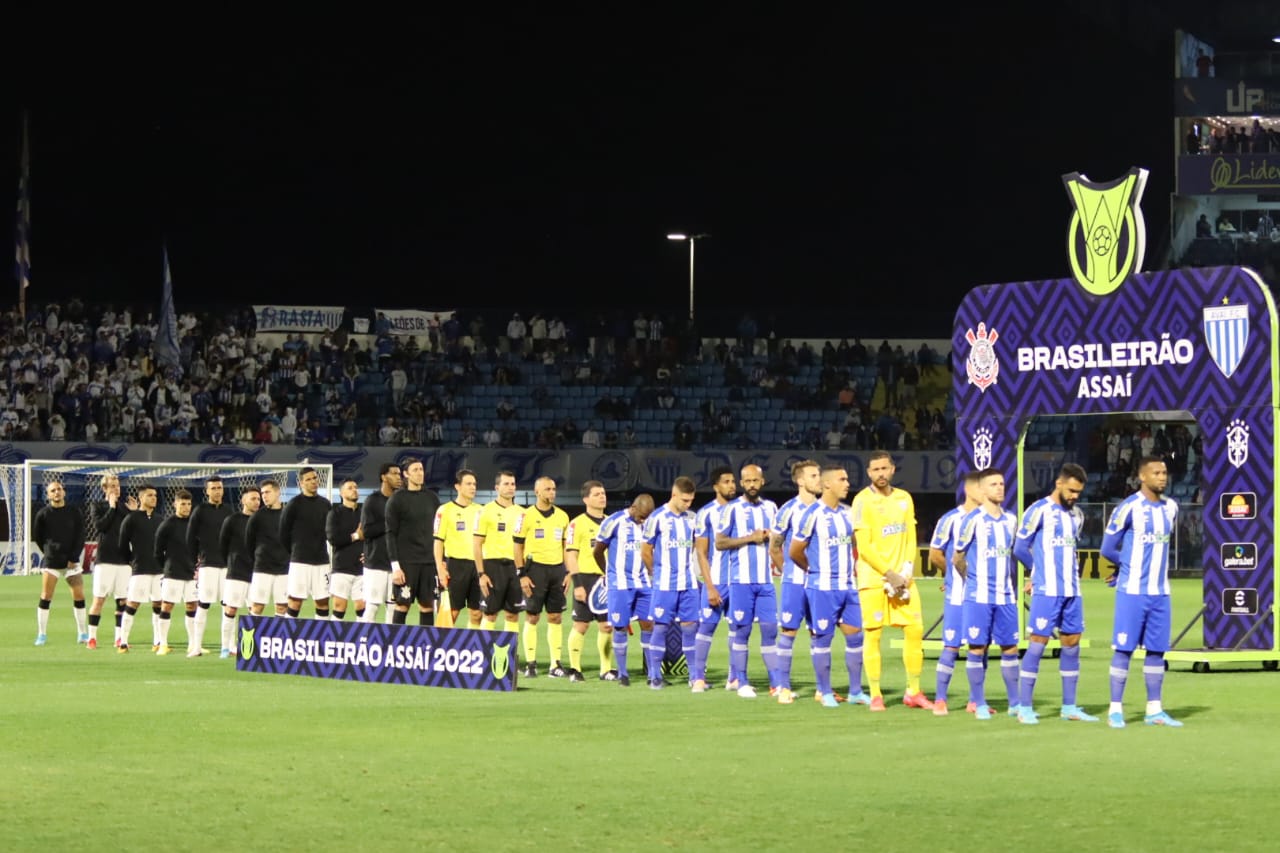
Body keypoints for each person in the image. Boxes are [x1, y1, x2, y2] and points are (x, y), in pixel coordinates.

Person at [1101, 455, 1183, 728]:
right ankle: (1115, 709)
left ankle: (1154, 710)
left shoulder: (1171, 507)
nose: (1163, 477)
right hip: (1132, 591)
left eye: (1165, 472)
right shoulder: (1128, 507)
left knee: (1157, 651)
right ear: (1142, 477)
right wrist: (1126, 567)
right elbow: (1107, 548)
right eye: (1157, 473)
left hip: (1160, 592)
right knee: (1124, 649)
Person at [1013, 462, 1098, 724]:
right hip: (1047, 590)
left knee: (1071, 645)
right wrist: (1035, 574)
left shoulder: (1077, 516)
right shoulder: (1038, 511)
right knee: (1037, 645)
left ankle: (1069, 707)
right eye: (1071, 490)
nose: (1074, 496)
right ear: (1059, 483)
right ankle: (1024, 707)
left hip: (1073, 591)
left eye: (1078, 493)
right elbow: (1019, 548)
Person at [852, 450, 932, 711]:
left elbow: (910, 536)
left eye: (884, 468)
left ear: (893, 469)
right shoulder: (862, 501)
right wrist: (889, 573)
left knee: (915, 631)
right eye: (875, 470)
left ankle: (914, 691)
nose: (881, 474)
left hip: (903, 578)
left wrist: (907, 569)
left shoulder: (904, 498)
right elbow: (864, 547)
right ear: (868, 473)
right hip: (874, 579)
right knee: (873, 635)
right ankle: (875, 694)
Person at [789, 465, 869, 708]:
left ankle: (855, 690)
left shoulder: (848, 514)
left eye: (847, 478)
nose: (847, 483)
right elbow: (795, 551)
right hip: (821, 588)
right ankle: (824, 691)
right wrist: (813, 570)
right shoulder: (811, 514)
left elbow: (855, 545)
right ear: (827, 485)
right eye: (841, 479)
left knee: (856, 637)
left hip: (848, 586)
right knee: (823, 639)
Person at [953, 467, 1020, 721]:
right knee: (977, 648)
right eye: (993, 484)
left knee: (1010, 647)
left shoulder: (1012, 520)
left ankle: (1015, 702)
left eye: (1002, 484)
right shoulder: (973, 520)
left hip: (1005, 597)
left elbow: (1013, 556)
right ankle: (978, 702)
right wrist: (970, 579)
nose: (1000, 488)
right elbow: (957, 557)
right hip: (978, 596)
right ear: (981, 490)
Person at [714, 463, 780, 699]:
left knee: (770, 630)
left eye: (756, 480)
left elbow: (778, 541)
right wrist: (750, 538)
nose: (752, 485)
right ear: (742, 484)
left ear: (762, 482)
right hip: (740, 582)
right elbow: (720, 543)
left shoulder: (772, 508)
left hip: (765, 582)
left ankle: (776, 683)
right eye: (747, 481)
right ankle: (741, 681)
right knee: (742, 631)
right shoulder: (732, 510)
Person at [926, 469, 982, 714]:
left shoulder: (991, 519)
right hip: (958, 595)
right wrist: (950, 576)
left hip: (982, 596)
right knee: (951, 646)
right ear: (970, 490)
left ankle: (975, 700)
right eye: (985, 487)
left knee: (978, 647)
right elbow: (935, 554)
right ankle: (940, 699)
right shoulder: (951, 519)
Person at [769, 459, 822, 704]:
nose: (818, 479)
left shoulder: (825, 510)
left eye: (819, 474)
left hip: (819, 583)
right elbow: (775, 548)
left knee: (819, 633)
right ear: (800, 481)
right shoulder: (787, 510)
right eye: (813, 475)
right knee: (788, 631)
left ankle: (823, 689)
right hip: (794, 582)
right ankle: (783, 687)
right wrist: (788, 572)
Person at [640, 476, 700, 689]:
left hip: (689, 583)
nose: (688, 504)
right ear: (673, 495)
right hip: (664, 584)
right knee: (660, 628)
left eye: (691, 500)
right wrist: (655, 573)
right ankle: (655, 676)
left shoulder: (692, 518)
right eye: (684, 500)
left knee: (691, 628)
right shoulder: (657, 518)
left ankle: (695, 677)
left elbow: (693, 545)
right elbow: (645, 550)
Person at [594, 493, 656, 687]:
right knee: (619, 626)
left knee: (649, 624)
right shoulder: (614, 522)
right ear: (634, 508)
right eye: (641, 516)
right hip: (619, 583)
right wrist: (608, 572)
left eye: (647, 517)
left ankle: (652, 673)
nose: (643, 520)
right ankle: (623, 673)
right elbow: (597, 550)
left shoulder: (650, 523)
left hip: (644, 582)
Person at [513, 476, 572, 678]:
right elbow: (517, 546)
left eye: (554, 489)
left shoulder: (563, 517)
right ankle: (530, 663)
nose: (552, 493)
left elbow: (566, 547)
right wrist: (521, 574)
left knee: (555, 616)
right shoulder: (525, 516)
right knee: (532, 616)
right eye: (547, 489)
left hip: (557, 570)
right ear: (537, 492)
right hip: (535, 570)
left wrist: (569, 572)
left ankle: (555, 664)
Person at [690, 466, 736, 692]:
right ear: (716, 486)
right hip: (716, 580)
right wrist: (709, 586)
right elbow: (701, 552)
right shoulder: (705, 513)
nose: (732, 485)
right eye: (726, 481)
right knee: (706, 628)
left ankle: (734, 677)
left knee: (738, 629)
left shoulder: (743, 510)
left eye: (733, 481)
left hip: (739, 582)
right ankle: (698, 678)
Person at [563, 480, 614, 681]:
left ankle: (606, 669)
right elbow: (571, 555)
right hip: (585, 578)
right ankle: (575, 669)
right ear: (585, 499)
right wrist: (577, 584)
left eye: (603, 493)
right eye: (596, 494)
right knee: (581, 625)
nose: (602, 496)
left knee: (606, 625)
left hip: (606, 581)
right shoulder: (577, 524)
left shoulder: (612, 522)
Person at [31, 480, 89, 646]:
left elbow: (80, 536)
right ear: (48, 495)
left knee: (79, 596)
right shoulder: (42, 514)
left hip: (72, 562)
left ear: (64, 492)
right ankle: (41, 634)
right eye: (53, 490)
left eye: (59, 489)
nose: (56, 492)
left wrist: (73, 557)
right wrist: (49, 553)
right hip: (52, 562)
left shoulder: (74, 512)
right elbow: (39, 537)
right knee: (46, 597)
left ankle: (82, 633)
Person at [386, 458, 442, 625]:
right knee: (402, 605)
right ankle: (395, 646)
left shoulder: (432, 498)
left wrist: (440, 562)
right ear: (406, 474)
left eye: (421, 469)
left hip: (429, 562)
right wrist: (396, 567)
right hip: (407, 563)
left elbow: (438, 532)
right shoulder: (397, 499)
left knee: (427, 606)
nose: (420, 473)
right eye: (416, 470)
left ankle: (425, 648)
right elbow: (390, 534)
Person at [86, 473, 138, 649]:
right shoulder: (98, 506)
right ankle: (92, 638)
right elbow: (101, 526)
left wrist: (134, 513)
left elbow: (134, 531)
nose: (116, 488)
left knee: (122, 601)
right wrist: (111, 507)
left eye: (117, 485)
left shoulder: (125, 508)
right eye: (112, 485)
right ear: (104, 488)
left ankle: (119, 638)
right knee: (99, 600)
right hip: (105, 560)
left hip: (124, 561)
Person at [473, 470, 524, 634]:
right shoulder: (485, 511)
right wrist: (481, 573)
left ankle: (510, 654)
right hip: (493, 567)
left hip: (515, 567)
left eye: (513, 484)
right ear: (497, 487)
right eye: (506, 484)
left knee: (513, 614)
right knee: (490, 614)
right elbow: (476, 545)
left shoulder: (523, 513)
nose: (510, 487)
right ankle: (485, 653)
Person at [186, 476, 232, 656]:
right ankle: (196, 646)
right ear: (207, 491)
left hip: (227, 566)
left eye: (219, 488)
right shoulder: (200, 511)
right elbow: (190, 538)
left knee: (228, 606)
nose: (217, 491)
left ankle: (227, 646)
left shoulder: (229, 510)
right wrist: (193, 562)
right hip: (207, 565)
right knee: (203, 605)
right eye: (213, 488)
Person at [281, 467, 333, 619]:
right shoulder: (294, 504)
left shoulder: (325, 504)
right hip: (300, 561)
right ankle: (288, 638)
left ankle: (321, 640)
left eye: (315, 478)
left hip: (321, 560)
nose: (313, 481)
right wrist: (295, 552)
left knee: (323, 602)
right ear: (301, 483)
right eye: (309, 479)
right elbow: (283, 533)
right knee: (295, 602)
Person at [117, 485, 163, 653]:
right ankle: (123, 641)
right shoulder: (132, 519)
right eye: (150, 495)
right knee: (133, 604)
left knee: (159, 604)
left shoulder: (160, 520)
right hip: (140, 569)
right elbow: (122, 544)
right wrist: (132, 560)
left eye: (155, 495)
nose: (154, 498)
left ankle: (158, 641)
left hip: (158, 570)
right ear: (141, 498)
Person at [433, 468, 482, 627]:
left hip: (477, 565)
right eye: (468, 484)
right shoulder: (445, 510)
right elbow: (438, 541)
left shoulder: (481, 511)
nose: (473, 487)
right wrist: (440, 567)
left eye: (474, 484)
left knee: (477, 612)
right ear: (457, 487)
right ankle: (441, 647)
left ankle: (472, 648)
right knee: (451, 612)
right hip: (456, 566)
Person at [217, 486, 261, 657]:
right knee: (230, 609)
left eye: (258, 499)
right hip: (236, 571)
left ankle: (246, 648)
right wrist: (232, 561)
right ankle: (225, 648)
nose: (256, 502)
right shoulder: (232, 520)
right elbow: (222, 545)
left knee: (254, 610)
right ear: (243, 500)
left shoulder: (262, 520)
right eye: (253, 499)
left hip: (257, 573)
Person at [154, 490, 198, 656]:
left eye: (188, 504)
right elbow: (157, 551)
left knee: (191, 606)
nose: (186, 507)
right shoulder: (167, 525)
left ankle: (193, 644)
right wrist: (166, 568)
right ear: (175, 504)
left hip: (190, 572)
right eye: (182, 504)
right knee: (167, 606)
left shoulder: (194, 524)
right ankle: (163, 643)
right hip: (172, 573)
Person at [360, 463, 402, 623]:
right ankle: (363, 643)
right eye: (394, 474)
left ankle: (388, 645)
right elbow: (367, 531)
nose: (399, 477)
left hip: (396, 564)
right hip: (375, 563)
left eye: (399, 474)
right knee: (372, 607)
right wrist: (389, 523)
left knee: (393, 607)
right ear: (383, 477)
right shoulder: (372, 501)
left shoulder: (400, 500)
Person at [246, 480, 289, 616]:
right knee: (257, 607)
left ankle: (278, 636)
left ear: (277, 492)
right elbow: (249, 542)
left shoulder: (288, 515)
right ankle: (250, 638)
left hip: (284, 569)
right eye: (262, 493)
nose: (264, 496)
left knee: (282, 607)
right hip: (262, 569)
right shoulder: (257, 517)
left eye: (267, 492)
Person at [326, 480, 364, 619]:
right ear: (341, 493)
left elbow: (372, 537)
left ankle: (362, 639)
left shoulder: (364, 513)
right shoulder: (334, 514)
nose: (354, 490)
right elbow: (333, 539)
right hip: (341, 568)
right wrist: (356, 536)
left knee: (362, 607)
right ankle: (334, 638)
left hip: (362, 568)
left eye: (356, 487)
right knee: (339, 607)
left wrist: (368, 554)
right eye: (350, 488)